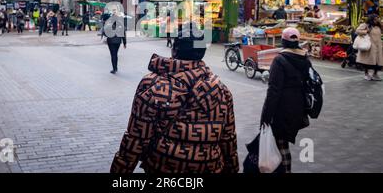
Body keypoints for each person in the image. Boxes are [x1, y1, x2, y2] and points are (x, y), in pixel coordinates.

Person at [111, 25, 239, 174]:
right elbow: (228, 140)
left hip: (162, 167)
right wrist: (233, 169)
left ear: (174, 50)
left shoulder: (152, 85)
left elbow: (135, 139)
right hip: (209, 167)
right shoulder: (221, 90)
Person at [260, 28, 311, 173]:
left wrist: (266, 115)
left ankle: (285, 171)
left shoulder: (280, 60)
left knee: (281, 144)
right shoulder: (304, 58)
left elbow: (274, 91)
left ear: (283, 41)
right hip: (298, 107)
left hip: (282, 108)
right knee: (283, 141)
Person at [356, 14, 383, 81]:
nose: (377, 20)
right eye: (376, 18)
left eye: (378, 18)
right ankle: (366, 74)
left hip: (378, 46)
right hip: (370, 46)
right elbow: (357, 31)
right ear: (372, 19)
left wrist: (380, 23)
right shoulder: (366, 25)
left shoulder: (379, 26)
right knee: (367, 62)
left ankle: (375, 74)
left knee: (378, 62)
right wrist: (366, 31)